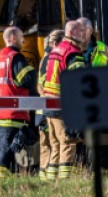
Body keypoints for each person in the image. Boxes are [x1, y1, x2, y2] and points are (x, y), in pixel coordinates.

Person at [0, 26, 38, 179]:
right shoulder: (16, 57)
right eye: (22, 37)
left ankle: (9, 178)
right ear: (13, 38)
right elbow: (27, 79)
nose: (24, 40)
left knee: (10, 146)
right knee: (7, 148)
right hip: (14, 112)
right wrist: (33, 71)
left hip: (0, 113)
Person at [40, 19, 88, 179]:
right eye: (81, 31)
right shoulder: (73, 53)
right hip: (63, 105)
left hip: (49, 103)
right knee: (68, 142)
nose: (84, 35)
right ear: (73, 32)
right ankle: (65, 181)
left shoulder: (56, 50)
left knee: (55, 144)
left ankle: (51, 179)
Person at [37, 29, 64, 180]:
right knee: (54, 143)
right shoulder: (52, 59)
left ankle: (44, 176)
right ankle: (50, 175)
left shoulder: (45, 58)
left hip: (43, 109)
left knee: (47, 144)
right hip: (50, 108)